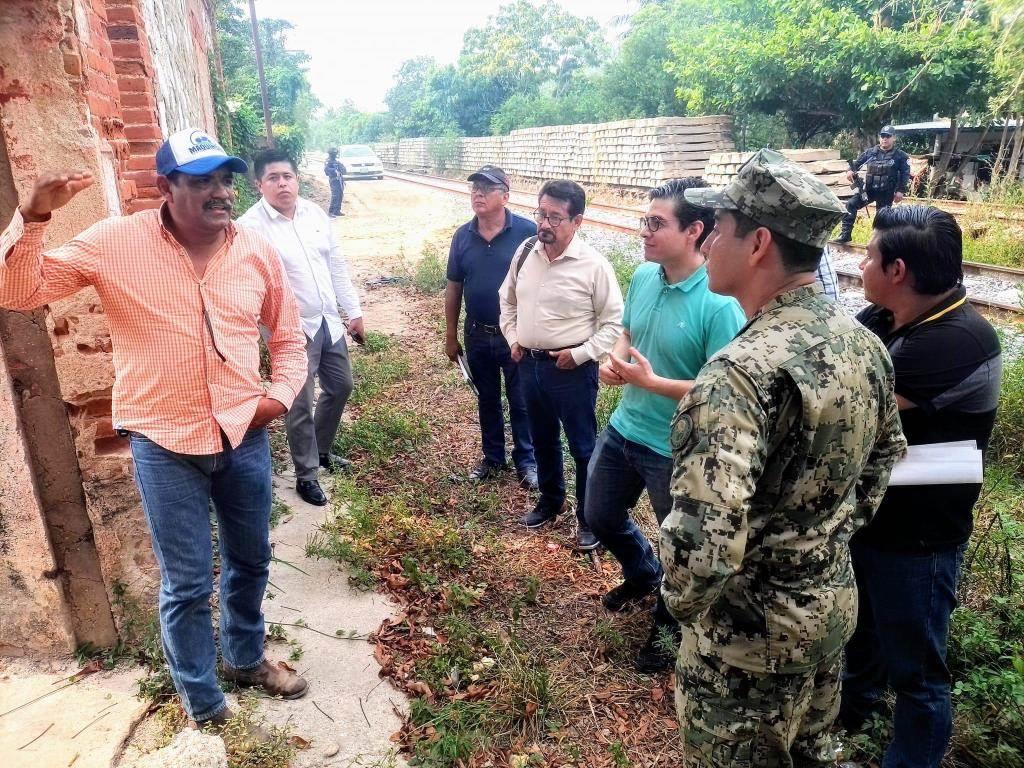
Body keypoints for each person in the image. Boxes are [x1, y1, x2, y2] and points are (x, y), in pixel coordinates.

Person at [0, 128, 310, 730]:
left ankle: (245, 658)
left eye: (224, 179)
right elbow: (18, 291)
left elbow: (290, 337)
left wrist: (276, 398)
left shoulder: (253, 249)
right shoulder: (116, 242)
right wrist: (33, 217)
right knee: (188, 583)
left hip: (244, 434)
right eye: (201, 182)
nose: (219, 193)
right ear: (165, 186)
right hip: (165, 444)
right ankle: (202, 700)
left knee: (251, 559)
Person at [661, 148, 907, 767]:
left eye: (718, 228)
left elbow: (704, 545)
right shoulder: (863, 343)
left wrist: (684, 609)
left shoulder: (738, 375)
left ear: (758, 243)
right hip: (825, 618)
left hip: (746, 649)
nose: (709, 240)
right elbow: (884, 462)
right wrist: (817, 546)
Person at [841, 206, 1002, 768]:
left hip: (919, 536)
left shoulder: (956, 341)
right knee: (863, 635)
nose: (859, 264)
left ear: (898, 270)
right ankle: (852, 714)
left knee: (917, 669)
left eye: (868, 255)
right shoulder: (889, 317)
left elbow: (840, 404)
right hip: (875, 514)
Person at [584, 177, 745, 672]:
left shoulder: (719, 304)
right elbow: (626, 331)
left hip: (675, 447)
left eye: (657, 223)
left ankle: (668, 626)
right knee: (598, 515)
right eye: (644, 221)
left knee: (680, 545)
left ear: (695, 230)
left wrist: (652, 383)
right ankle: (640, 572)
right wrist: (614, 362)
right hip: (625, 427)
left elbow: (726, 390)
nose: (645, 232)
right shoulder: (645, 277)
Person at [498, 179, 623, 549]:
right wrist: (513, 338)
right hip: (529, 367)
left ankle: (588, 518)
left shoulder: (594, 265)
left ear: (577, 221)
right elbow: (506, 300)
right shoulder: (525, 253)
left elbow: (614, 322)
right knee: (542, 439)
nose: (545, 224)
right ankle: (550, 501)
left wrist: (581, 354)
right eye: (541, 214)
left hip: (571, 371)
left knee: (583, 447)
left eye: (555, 217)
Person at [238, 149, 366, 507]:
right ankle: (306, 474)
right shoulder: (249, 228)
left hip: (327, 320)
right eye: (273, 178)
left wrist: (352, 310)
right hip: (289, 329)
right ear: (259, 184)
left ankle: (321, 450)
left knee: (341, 386)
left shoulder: (314, 214)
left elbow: (336, 264)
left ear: (296, 179)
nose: (282, 184)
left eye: (288, 176)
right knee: (298, 403)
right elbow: (248, 283)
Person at [444, 166, 538, 489]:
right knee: (487, 397)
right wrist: (450, 335)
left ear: (505, 196)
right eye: (474, 188)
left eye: (487, 188)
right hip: (477, 333)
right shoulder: (462, 236)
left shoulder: (527, 232)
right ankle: (493, 457)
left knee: (520, 397)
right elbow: (454, 286)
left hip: (514, 334)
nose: (478, 193)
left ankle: (526, 460)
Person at [836, 125, 911, 243]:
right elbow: (856, 164)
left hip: (886, 193)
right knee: (851, 204)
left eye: (888, 136)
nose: (885, 139)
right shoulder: (871, 152)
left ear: (894, 138)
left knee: (881, 218)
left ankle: (879, 242)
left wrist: (901, 191)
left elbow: (905, 174)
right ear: (879, 137)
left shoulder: (900, 156)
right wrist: (849, 170)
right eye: (882, 136)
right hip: (869, 191)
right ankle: (845, 235)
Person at [324, 147, 345, 217]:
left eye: (335, 153)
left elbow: (343, 170)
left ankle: (337, 210)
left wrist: (341, 168)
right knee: (335, 195)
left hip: (339, 180)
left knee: (340, 195)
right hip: (333, 180)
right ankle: (331, 212)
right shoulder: (328, 161)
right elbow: (326, 170)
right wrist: (334, 170)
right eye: (334, 153)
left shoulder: (336, 161)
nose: (335, 155)